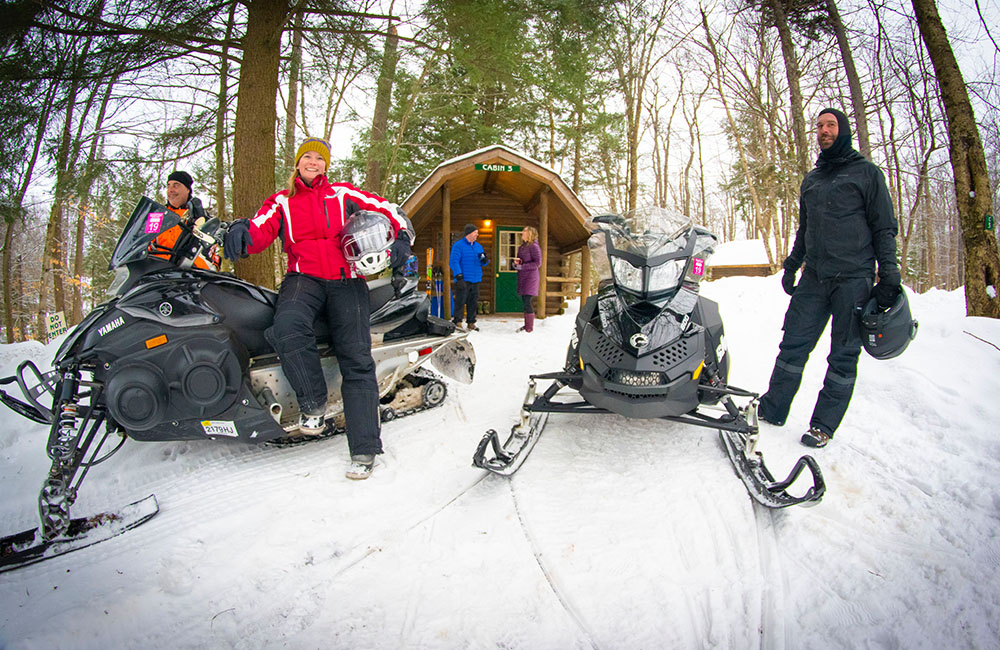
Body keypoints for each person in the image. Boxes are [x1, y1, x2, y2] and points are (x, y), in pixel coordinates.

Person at [222, 137, 413, 480]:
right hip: (303, 279)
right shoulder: (281, 202)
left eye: (319, 159)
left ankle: (364, 449)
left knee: (356, 357)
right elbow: (258, 231)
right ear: (297, 163)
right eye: (307, 157)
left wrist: (401, 237)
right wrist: (239, 229)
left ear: (326, 165)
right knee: (287, 327)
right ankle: (313, 403)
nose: (313, 162)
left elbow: (388, 209)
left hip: (346, 280)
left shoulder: (342, 194)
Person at [758, 108, 900, 449]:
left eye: (830, 125)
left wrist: (889, 275)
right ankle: (772, 409)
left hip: (853, 280)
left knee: (843, 355)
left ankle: (823, 424)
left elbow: (883, 227)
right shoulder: (813, 179)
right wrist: (792, 264)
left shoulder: (866, 174)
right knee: (792, 345)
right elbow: (805, 229)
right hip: (815, 278)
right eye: (819, 126)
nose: (823, 130)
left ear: (844, 130)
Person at [149, 170, 220, 270]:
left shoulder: (199, 217)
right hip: (157, 272)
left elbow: (207, 253)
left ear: (187, 189)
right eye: (168, 186)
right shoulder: (157, 216)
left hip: (186, 273)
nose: (171, 190)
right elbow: (144, 242)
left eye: (176, 185)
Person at [449, 223, 489, 331]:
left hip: (475, 279)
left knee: (473, 302)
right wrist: (459, 276)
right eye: (475, 233)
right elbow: (453, 262)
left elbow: (483, 262)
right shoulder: (458, 246)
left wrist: (485, 260)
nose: (477, 235)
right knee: (461, 301)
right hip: (463, 279)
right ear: (469, 233)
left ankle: (471, 322)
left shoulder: (478, 246)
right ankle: (457, 321)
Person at [513, 226, 542, 332]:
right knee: (525, 301)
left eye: (524, 231)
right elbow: (522, 261)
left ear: (530, 233)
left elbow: (537, 263)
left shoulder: (534, 246)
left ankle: (529, 328)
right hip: (523, 277)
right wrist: (518, 263)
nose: (522, 232)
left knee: (527, 301)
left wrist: (522, 266)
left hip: (531, 279)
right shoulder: (522, 247)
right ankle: (526, 326)